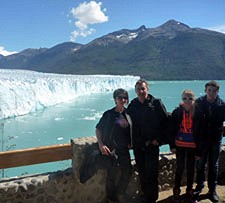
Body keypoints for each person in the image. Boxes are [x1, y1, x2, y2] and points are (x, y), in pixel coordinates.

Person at [128, 79, 168, 203]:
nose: (141, 91)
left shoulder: (156, 103)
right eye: (138, 89)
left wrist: (159, 140)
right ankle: (145, 195)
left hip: (152, 144)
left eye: (143, 88)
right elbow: (127, 124)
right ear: (135, 91)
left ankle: (153, 198)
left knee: (152, 172)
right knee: (142, 171)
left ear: (147, 89)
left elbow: (166, 122)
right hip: (138, 145)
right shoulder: (133, 105)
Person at [96, 88, 132, 203]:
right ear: (115, 99)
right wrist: (101, 144)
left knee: (127, 171)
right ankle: (111, 199)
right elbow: (98, 128)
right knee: (112, 174)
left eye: (124, 97)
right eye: (120, 97)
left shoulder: (128, 114)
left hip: (124, 149)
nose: (122, 100)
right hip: (111, 149)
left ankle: (120, 193)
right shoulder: (109, 114)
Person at [193, 80, 225, 203]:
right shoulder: (199, 103)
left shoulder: (222, 105)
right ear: (205, 90)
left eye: (214, 91)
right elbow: (193, 118)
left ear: (218, 91)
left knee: (213, 165)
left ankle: (212, 190)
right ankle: (199, 187)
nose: (211, 93)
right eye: (209, 90)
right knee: (200, 164)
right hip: (202, 139)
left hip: (215, 140)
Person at [170, 90, 197, 203]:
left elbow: (201, 131)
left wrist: (199, 150)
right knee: (180, 169)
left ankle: (189, 191)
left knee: (191, 169)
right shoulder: (177, 112)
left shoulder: (197, 112)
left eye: (190, 98)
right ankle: (176, 190)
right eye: (185, 98)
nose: (187, 101)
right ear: (182, 99)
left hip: (193, 146)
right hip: (180, 145)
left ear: (193, 100)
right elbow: (171, 130)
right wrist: (172, 145)